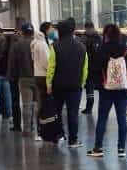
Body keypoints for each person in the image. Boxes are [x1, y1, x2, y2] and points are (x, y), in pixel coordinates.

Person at [87, 24, 127, 158]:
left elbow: (94, 69)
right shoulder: (126, 49)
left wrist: (101, 83)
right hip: (122, 90)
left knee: (102, 118)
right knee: (122, 118)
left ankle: (98, 148)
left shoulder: (102, 49)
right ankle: (121, 149)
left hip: (106, 90)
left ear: (106, 35)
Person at [47, 20, 88, 148]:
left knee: (57, 112)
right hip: (75, 86)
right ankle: (73, 140)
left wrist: (49, 84)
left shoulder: (54, 46)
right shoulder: (81, 47)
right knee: (73, 113)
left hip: (58, 85)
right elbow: (85, 68)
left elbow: (51, 67)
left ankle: (58, 135)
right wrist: (82, 83)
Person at [10, 23, 46, 139]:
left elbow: (12, 63)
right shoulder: (38, 43)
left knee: (26, 105)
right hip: (39, 77)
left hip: (24, 78)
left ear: (22, 32)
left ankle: (26, 130)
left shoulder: (16, 45)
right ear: (32, 32)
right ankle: (40, 129)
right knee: (39, 105)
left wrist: (13, 77)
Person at [80, 20, 102, 115]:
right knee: (100, 89)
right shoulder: (100, 38)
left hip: (88, 67)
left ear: (86, 28)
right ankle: (101, 108)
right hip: (98, 68)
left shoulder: (83, 39)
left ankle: (89, 108)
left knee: (89, 89)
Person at [5, 28, 23, 132]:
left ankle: (17, 124)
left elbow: (10, 63)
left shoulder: (10, 46)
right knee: (28, 103)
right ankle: (30, 125)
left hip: (13, 77)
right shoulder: (27, 44)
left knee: (15, 101)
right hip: (25, 76)